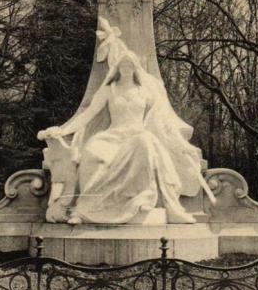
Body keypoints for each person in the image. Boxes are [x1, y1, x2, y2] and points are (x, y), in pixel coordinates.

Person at [38, 30, 214, 224]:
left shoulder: (145, 92)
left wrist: (177, 140)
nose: (127, 67)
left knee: (145, 143)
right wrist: (63, 131)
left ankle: (143, 199)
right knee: (91, 151)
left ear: (136, 67)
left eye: (130, 64)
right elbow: (87, 115)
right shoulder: (109, 90)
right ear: (118, 67)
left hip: (137, 135)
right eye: (123, 64)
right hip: (112, 137)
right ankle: (85, 210)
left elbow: (162, 119)